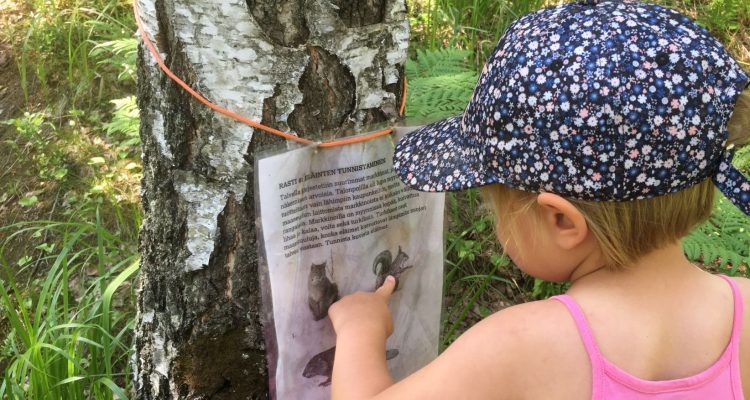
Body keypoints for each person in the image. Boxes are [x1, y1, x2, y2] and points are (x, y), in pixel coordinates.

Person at [328, 0, 750, 399]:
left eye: (494, 203)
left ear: (562, 221)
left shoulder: (521, 345)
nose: (493, 218)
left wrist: (358, 330)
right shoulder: (745, 312)